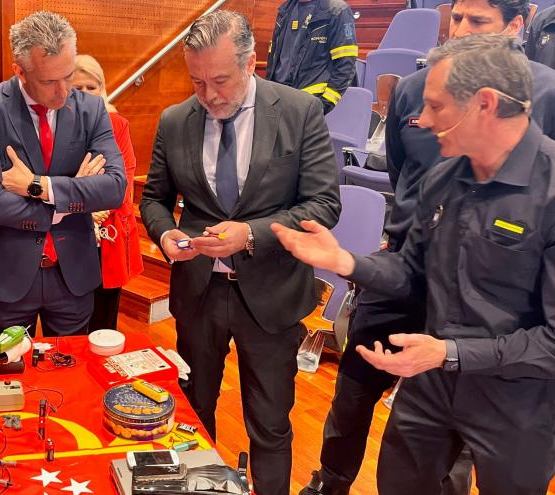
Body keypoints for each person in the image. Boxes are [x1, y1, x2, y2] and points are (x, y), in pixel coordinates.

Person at [274, 33, 555, 495]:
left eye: (436, 107)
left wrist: (451, 352)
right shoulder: (443, 176)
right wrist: (346, 261)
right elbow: (411, 273)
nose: (420, 121)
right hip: (431, 382)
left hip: (517, 402)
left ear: (484, 104)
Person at [139, 10, 341, 495]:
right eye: (197, 80)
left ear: (252, 62)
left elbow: (323, 204)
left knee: (270, 423)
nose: (208, 95)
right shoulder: (174, 120)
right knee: (194, 411)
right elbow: (154, 199)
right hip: (199, 293)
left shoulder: (298, 111)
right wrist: (166, 236)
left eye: (221, 80)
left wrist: (249, 235)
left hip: (271, 297)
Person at [0, 11, 126, 338]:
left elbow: (114, 188)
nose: (64, 92)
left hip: (73, 273)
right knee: (13, 376)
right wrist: (69, 201)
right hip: (7, 272)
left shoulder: (90, 109)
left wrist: (39, 186)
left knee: (71, 377)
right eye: (50, 81)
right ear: (19, 71)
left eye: (68, 75)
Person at [72, 54, 143, 331]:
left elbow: (124, 176)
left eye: (92, 87)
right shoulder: (57, 127)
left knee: (105, 317)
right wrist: (84, 211)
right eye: (78, 88)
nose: (86, 94)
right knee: (72, 319)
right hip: (72, 230)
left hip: (108, 232)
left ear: (102, 88)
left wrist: (99, 210)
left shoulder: (117, 125)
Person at [266, 0, 358, 114]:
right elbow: (274, 58)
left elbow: (345, 66)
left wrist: (323, 105)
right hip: (277, 99)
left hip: (308, 104)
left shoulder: (337, 10)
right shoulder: (285, 9)